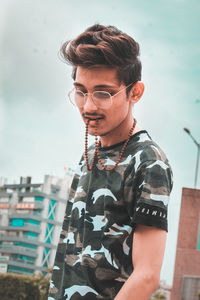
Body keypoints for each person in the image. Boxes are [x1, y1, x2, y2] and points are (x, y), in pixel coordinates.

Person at [48, 24, 173, 300]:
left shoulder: (149, 161)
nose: (89, 106)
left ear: (135, 92)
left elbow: (147, 275)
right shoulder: (89, 155)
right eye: (81, 91)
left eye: (103, 93)